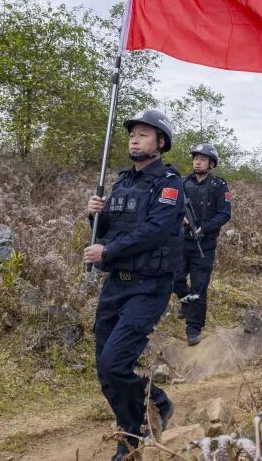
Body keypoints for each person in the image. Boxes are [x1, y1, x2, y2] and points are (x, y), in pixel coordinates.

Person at [85, 108, 182, 460]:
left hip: (149, 286)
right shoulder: (123, 183)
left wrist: (106, 251)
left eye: (143, 134)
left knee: (115, 362)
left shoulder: (170, 184)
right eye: (132, 134)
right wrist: (95, 215)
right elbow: (106, 233)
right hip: (116, 286)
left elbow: (154, 232)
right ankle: (131, 436)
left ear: (160, 143)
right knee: (106, 372)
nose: (134, 139)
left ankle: (157, 401)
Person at [173, 143, 231, 346]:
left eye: (203, 159)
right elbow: (172, 206)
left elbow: (225, 213)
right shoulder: (183, 183)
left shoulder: (219, 185)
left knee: (199, 285)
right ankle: (185, 302)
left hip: (204, 244)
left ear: (211, 163)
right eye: (195, 158)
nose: (197, 162)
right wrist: (180, 218)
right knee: (175, 279)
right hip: (181, 241)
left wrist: (204, 229)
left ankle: (193, 328)